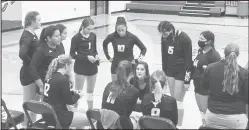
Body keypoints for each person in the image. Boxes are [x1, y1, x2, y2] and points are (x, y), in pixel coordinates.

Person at [202, 43, 248, 129]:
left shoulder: (210, 68)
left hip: (213, 115)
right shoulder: (244, 73)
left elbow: (204, 91)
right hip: (236, 119)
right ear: (238, 55)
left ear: (224, 53)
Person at [42, 54, 91, 128]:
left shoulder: (49, 76)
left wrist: (73, 91)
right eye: (71, 66)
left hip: (47, 114)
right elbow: (70, 101)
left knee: (84, 111)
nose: (72, 69)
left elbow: (58, 95)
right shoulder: (63, 79)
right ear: (66, 65)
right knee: (92, 118)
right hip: (59, 116)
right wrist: (78, 95)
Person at [159, 20, 192, 127]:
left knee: (178, 100)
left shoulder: (184, 38)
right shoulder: (164, 38)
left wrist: (187, 79)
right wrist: (164, 72)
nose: (163, 35)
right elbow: (164, 55)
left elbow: (188, 60)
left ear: (171, 30)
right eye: (161, 33)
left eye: (165, 32)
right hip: (170, 71)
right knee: (172, 100)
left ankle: (179, 126)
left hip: (181, 71)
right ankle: (173, 123)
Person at [103, 17, 147, 81]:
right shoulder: (112, 36)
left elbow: (143, 49)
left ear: (126, 28)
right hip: (115, 65)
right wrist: (108, 57)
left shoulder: (132, 37)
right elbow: (104, 44)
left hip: (129, 66)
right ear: (116, 29)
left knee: (128, 86)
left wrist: (138, 60)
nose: (121, 32)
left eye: (122, 30)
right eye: (118, 30)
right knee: (115, 85)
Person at [192, 31, 221, 125]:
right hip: (197, 86)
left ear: (209, 41)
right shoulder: (200, 51)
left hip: (206, 89)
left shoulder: (214, 56)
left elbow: (217, 74)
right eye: (199, 38)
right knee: (201, 112)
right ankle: (204, 125)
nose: (199, 41)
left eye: (202, 39)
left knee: (206, 113)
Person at [70, 18, 99, 109]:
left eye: (91, 29)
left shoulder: (93, 36)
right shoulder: (76, 38)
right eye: (88, 29)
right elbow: (72, 54)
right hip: (80, 67)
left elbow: (94, 50)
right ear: (83, 27)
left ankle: (90, 110)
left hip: (92, 67)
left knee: (90, 91)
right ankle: (74, 109)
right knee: (78, 91)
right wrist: (86, 57)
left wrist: (96, 56)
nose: (90, 31)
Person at [101, 60, 140, 129]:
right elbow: (127, 114)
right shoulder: (134, 91)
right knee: (138, 119)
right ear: (131, 74)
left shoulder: (108, 85)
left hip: (103, 124)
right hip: (121, 125)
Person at [19, 11, 41, 128]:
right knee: (28, 105)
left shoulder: (32, 34)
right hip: (28, 74)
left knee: (34, 104)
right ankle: (25, 126)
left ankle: (32, 126)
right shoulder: (27, 36)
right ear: (32, 21)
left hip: (33, 73)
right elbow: (22, 54)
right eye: (38, 20)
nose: (40, 22)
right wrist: (32, 65)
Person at [29, 25, 63, 96]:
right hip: (46, 84)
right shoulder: (41, 50)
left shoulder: (60, 46)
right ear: (49, 38)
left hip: (58, 83)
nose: (60, 37)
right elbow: (32, 68)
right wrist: (41, 86)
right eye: (56, 36)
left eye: (60, 35)